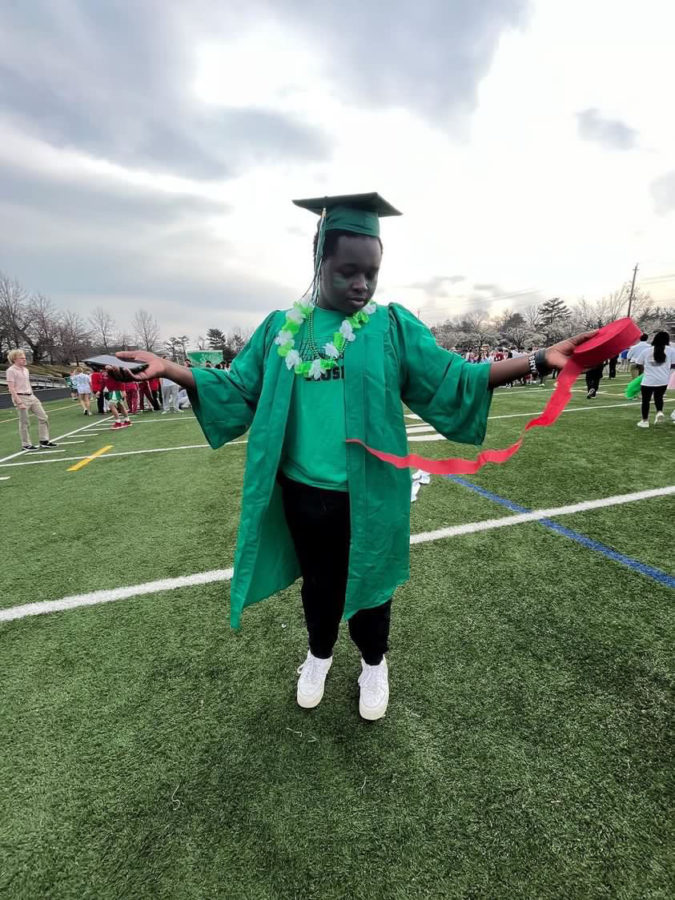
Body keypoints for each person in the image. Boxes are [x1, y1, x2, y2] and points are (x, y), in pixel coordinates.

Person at [113, 192, 596, 721]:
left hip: (372, 493)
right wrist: (169, 368)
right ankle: (318, 656)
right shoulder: (281, 330)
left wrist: (537, 359)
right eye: (347, 271)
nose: (361, 285)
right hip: (303, 492)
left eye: (371, 273)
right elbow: (238, 388)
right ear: (318, 260)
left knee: (371, 585)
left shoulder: (389, 327)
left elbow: (455, 377)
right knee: (318, 585)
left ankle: (373, 663)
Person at [5, 349, 58, 450]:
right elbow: (11, 388)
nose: (24, 359)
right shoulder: (11, 371)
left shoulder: (26, 370)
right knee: (25, 422)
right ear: (14, 359)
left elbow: (27, 383)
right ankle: (26, 444)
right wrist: (18, 401)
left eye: (24, 357)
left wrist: (33, 395)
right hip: (20, 397)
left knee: (43, 417)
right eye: (21, 358)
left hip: (31, 396)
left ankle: (44, 440)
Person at [634, 332, 675, 428]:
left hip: (648, 380)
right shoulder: (671, 351)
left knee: (645, 401)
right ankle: (659, 411)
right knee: (659, 397)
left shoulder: (646, 351)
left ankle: (645, 421)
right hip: (663, 380)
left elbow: (638, 363)